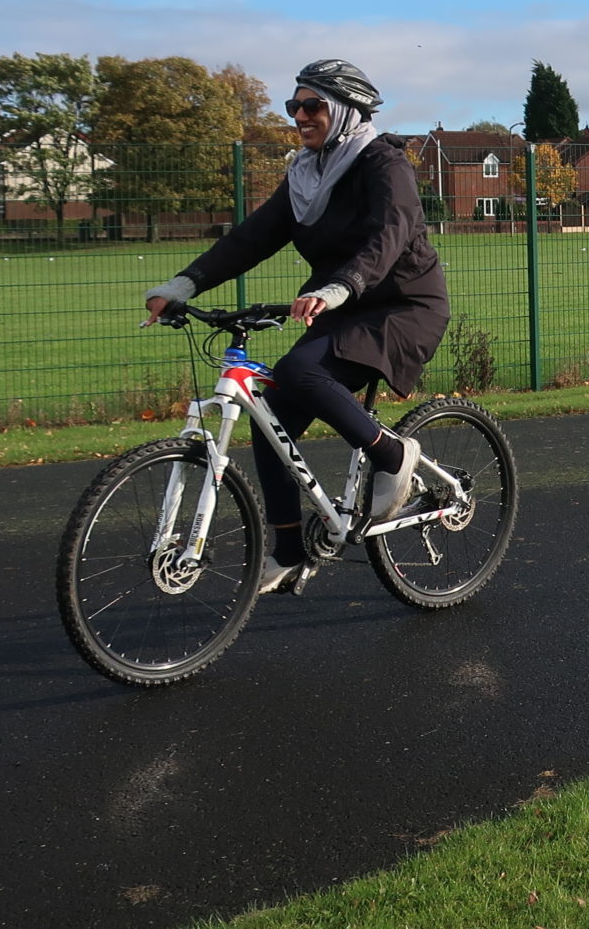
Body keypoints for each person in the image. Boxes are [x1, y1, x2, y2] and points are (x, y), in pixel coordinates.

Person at [143, 61, 450, 594]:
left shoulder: (383, 163)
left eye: (313, 106)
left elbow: (391, 235)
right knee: (273, 414)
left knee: (300, 370)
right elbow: (251, 239)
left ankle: (393, 455)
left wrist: (339, 286)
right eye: (294, 106)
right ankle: (287, 549)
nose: (301, 116)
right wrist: (182, 286)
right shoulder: (306, 174)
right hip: (342, 305)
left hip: (403, 304)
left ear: (346, 111)